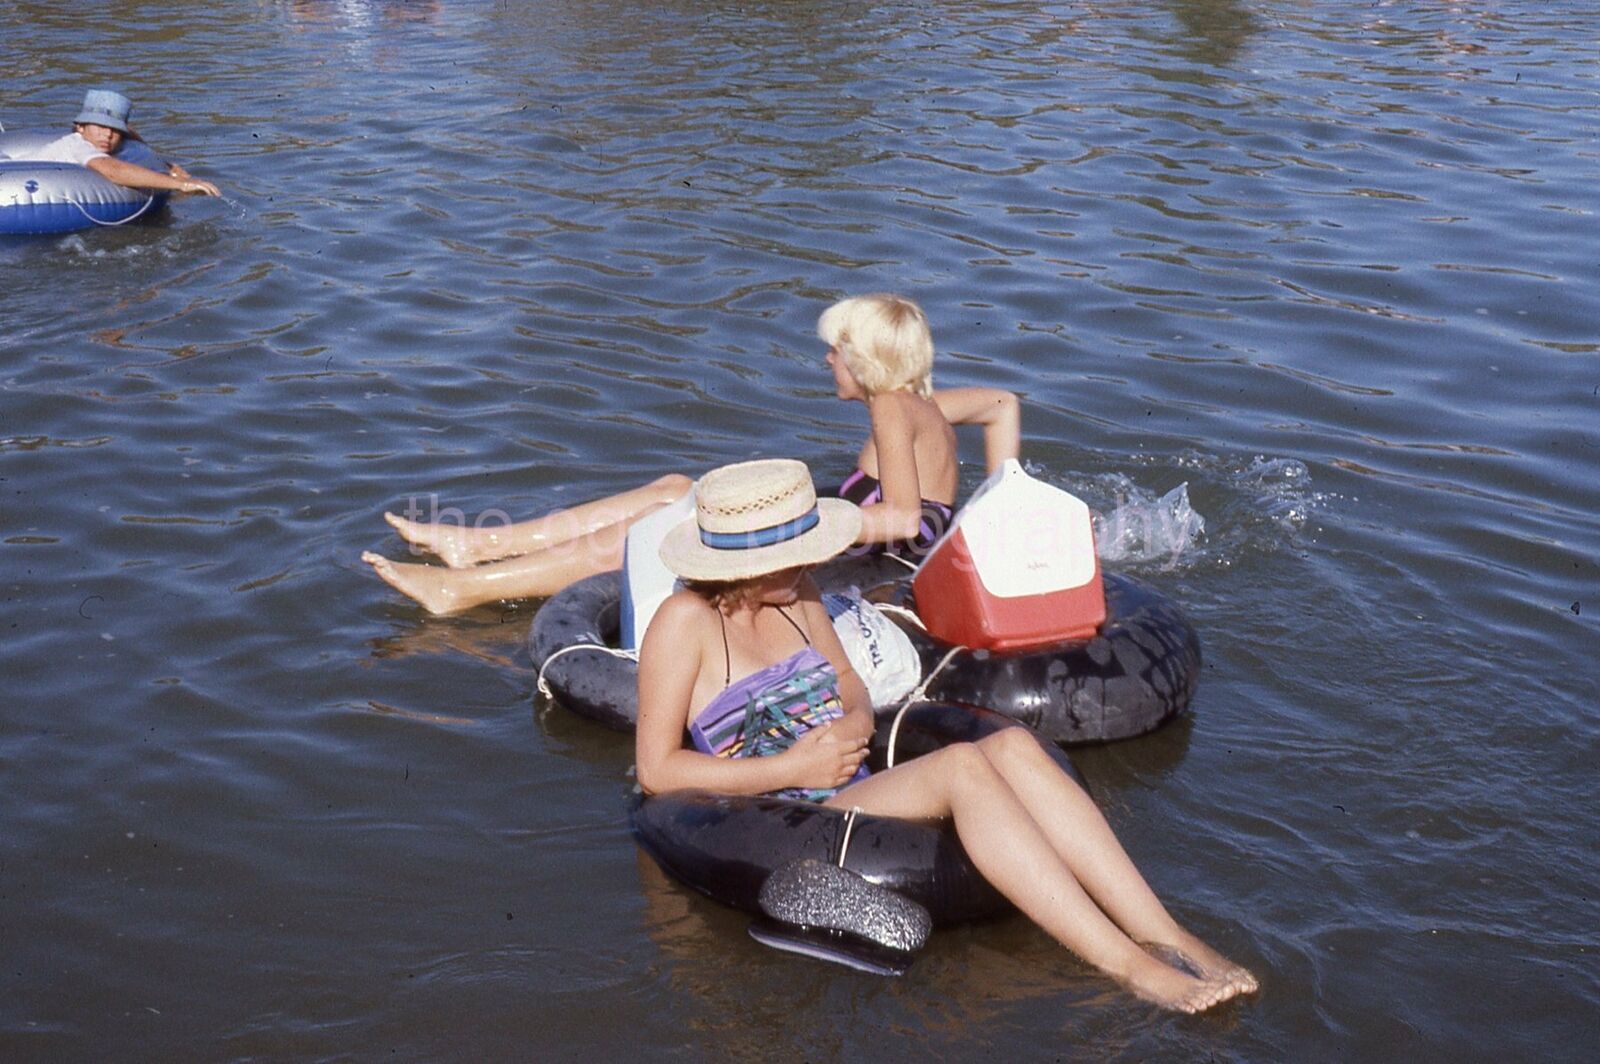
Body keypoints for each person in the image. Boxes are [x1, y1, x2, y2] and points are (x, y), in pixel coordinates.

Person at [633, 459, 1259, 1013]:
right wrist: (789, 768)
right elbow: (657, 770)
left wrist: (852, 723)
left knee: (1012, 745)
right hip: (776, 806)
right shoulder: (682, 624)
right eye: (790, 554)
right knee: (962, 766)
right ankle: (1130, 967)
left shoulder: (799, 595)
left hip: (844, 785)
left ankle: (1165, 934)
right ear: (741, 565)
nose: (809, 562)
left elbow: (850, 681)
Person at [364, 294, 1017, 615]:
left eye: (836, 350)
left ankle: (464, 587)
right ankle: (480, 546)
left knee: (661, 528)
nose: (827, 359)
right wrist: (1002, 497)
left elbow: (903, 520)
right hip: (872, 532)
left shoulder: (890, 407)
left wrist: (806, 520)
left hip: (876, 547)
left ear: (866, 361)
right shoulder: (922, 401)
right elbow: (1003, 405)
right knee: (674, 485)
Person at [29, 89, 220, 197]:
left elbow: (135, 141)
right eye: (100, 127)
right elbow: (113, 171)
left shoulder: (110, 138)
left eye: (115, 130)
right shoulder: (78, 145)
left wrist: (168, 166)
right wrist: (180, 184)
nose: (108, 135)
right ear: (80, 127)